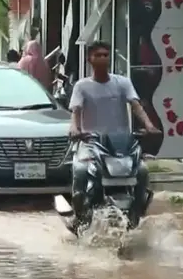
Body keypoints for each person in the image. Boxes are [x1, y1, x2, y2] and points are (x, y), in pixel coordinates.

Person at [68, 40, 160, 217]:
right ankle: (79, 213)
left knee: (141, 171)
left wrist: (149, 126)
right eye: (98, 55)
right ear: (89, 59)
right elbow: (76, 111)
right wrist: (74, 129)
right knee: (80, 171)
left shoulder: (122, 82)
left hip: (121, 145)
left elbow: (136, 105)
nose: (103, 58)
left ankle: (139, 208)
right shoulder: (82, 86)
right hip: (91, 142)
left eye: (106, 55)